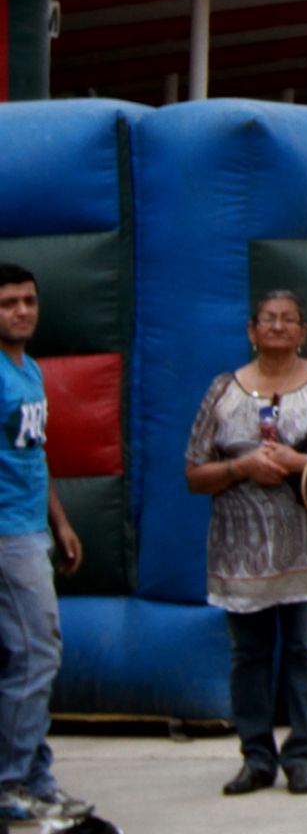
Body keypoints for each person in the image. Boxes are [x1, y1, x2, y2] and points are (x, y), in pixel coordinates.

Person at [183, 289, 307, 797]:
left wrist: (300, 464)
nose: (278, 326)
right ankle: (256, 757)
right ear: (251, 330)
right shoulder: (222, 391)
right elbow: (193, 473)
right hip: (241, 553)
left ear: (303, 332)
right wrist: (240, 467)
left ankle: (302, 755)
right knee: (248, 655)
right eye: (268, 319)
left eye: (289, 319)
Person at [0, 265, 89, 831]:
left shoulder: (27, 368)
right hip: (8, 534)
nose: (22, 311)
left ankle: (34, 777)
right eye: (9, 303)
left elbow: (34, 453)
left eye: (29, 300)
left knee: (24, 658)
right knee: (38, 653)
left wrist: (60, 522)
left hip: (32, 525)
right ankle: (12, 782)